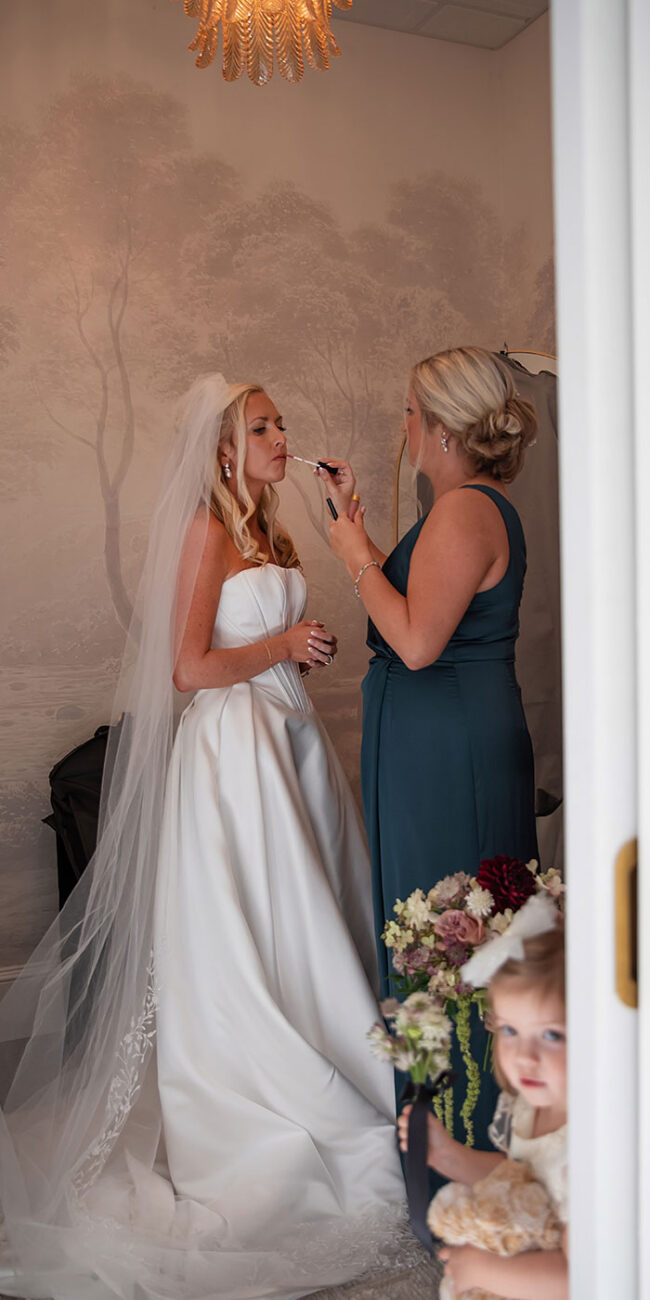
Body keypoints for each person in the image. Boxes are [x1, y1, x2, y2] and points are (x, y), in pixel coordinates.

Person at [0, 376, 405, 1300]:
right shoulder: (208, 529)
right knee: (251, 932)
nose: (279, 436)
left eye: (279, 423)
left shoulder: (273, 528)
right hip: (235, 755)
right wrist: (284, 644)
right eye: (261, 426)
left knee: (305, 923)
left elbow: (263, 639)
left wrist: (300, 646)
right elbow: (188, 668)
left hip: (291, 745)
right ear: (223, 449)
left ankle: (330, 1046)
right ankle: (268, 1094)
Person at [321, 345, 539, 1155]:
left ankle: (466, 1146)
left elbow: (414, 641)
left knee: (449, 929)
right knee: (438, 926)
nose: (404, 426)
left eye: (411, 412)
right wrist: (362, 532)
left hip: (449, 748)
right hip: (434, 738)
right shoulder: (463, 509)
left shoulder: (465, 511)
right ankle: (444, 1131)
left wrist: (355, 559)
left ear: (444, 427)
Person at [397, 897, 568, 1299]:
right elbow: (522, 1180)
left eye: (552, 1034)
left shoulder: (593, 1144)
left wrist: (481, 1268)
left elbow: (583, 1279)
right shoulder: (531, 1106)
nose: (525, 1057)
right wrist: (450, 1156)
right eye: (510, 1030)